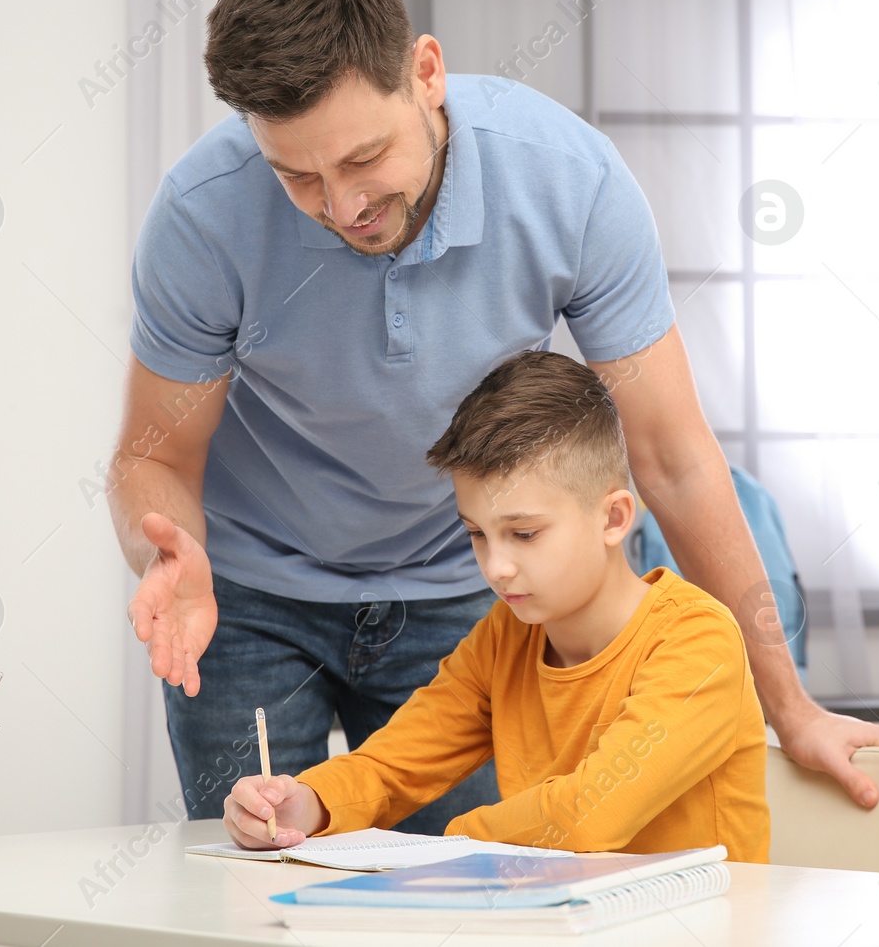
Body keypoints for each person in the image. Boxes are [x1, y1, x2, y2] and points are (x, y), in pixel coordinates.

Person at [111, 0, 879, 832]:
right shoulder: (202, 215)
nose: (340, 207)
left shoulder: (571, 184)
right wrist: (162, 552)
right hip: (248, 596)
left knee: (477, 901)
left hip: (465, 590)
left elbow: (673, 458)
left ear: (427, 73)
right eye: (297, 176)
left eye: (364, 158)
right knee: (251, 884)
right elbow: (154, 456)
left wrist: (787, 706)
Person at [222, 351, 770, 861]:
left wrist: (451, 842)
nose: (496, 567)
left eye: (524, 534)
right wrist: (309, 802)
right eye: (477, 534)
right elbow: (394, 764)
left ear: (613, 519)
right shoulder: (504, 637)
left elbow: (590, 816)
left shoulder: (699, 641)